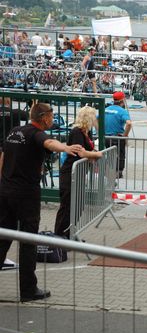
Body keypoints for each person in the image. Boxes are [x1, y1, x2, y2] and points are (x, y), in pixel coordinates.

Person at [0, 103, 84, 302]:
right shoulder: (37, 134)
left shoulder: (15, 131)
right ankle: (28, 290)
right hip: (26, 195)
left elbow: (3, 157)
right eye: (52, 116)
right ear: (44, 117)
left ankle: (28, 288)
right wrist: (66, 147)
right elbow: (49, 144)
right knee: (29, 241)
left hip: (5, 192)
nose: (53, 120)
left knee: (3, 237)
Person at [54, 106, 103, 238]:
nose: (95, 120)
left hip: (79, 173)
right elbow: (80, 152)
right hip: (70, 172)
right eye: (94, 117)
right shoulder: (77, 132)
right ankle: (60, 235)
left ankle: (70, 233)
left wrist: (92, 155)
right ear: (88, 117)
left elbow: (86, 150)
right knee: (67, 205)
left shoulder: (87, 132)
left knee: (78, 205)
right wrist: (96, 154)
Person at [105, 92, 132, 179]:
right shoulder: (122, 111)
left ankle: (108, 171)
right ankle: (118, 173)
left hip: (106, 137)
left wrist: (100, 131)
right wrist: (125, 135)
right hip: (117, 137)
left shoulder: (106, 109)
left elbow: (95, 119)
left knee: (109, 154)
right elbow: (129, 123)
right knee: (120, 155)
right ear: (122, 101)